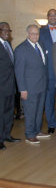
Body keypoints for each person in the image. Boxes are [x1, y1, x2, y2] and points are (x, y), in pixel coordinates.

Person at [14, 24, 49, 144]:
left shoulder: (40, 45)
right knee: (30, 111)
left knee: (39, 111)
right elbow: (18, 72)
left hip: (41, 86)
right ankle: (29, 134)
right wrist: (22, 89)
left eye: (37, 33)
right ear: (27, 34)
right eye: (33, 33)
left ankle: (37, 131)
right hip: (29, 88)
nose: (35, 36)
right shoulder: (20, 49)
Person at [39, 9, 56, 134]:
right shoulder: (40, 31)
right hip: (48, 71)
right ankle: (51, 123)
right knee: (49, 100)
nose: (53, 17)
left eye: (55, 15)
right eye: (51, 15)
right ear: (47, 17)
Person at [0, 22, 20, 150]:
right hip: (1, 87)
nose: (7, 32)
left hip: (10, 86)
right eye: (4, 30)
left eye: (9, 30)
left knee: (8, 113)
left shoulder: (8, 44)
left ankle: (6, 135)